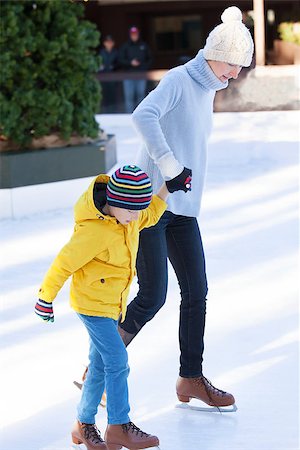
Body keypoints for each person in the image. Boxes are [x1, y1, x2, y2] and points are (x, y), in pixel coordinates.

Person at [117, 7, 254, 409]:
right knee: (152, 296)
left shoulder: (208, 86)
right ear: (213, 53)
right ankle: (100, 365)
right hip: (151, 205)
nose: (234, 74)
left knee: (197, 291)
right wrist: (169, 165)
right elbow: (143, 115)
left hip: (183, 208)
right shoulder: (179, 79)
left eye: (239, 68)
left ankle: (190, 377)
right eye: (232, 65)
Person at [34, 165, 185, 450]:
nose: (134, 218)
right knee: (118, 362)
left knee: (101, 366)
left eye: (136, 211)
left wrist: (168, 187)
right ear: (113, 201)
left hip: (113, 305)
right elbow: (63, 263)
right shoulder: (93, 232)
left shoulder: (130, 218)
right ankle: (119, 425)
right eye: (130, 211)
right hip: (92, 306)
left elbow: (150, 213)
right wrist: (46, 297)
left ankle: (83, 424)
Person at [118, 26, 152, 113]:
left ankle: (140, 114)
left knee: (141, 96)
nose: (134, 36)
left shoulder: (143, 45)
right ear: (130, 35)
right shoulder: (125, 46)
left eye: (136, 34)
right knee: (129, 97)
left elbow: (150, 59)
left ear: (138, 34)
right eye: (132, 34)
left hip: (141, 74)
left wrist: (142, 66)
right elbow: (120, 60)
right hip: (128, 75)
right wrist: (130, 63)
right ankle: (129, 115)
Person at [99, 35, 119, 113]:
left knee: (112, 96)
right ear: (104, 43)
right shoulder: (101, 52)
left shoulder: (116, 52)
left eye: (110, 42)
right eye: (107, 42)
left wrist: (114, 67)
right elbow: (99, 63)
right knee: (104, 95)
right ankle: (105, 111)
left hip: (113, 78)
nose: (109, 44)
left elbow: (119, 63)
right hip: (104, 77)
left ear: (113, 43)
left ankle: (113, 111)